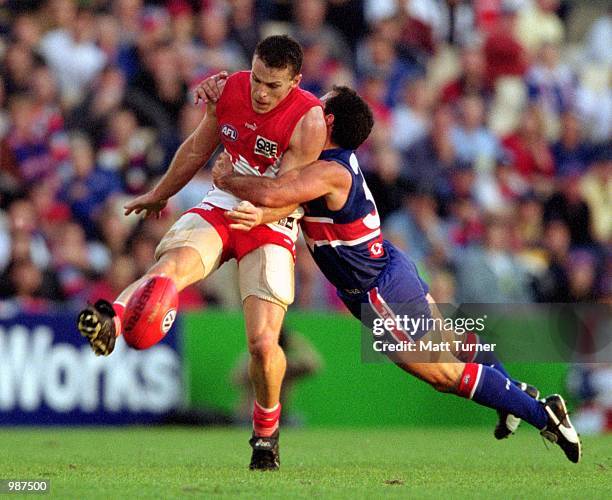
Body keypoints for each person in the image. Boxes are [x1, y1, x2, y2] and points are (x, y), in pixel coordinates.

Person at [211, 85, 581, 463]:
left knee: (443, 375)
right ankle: (512, 393)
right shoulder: (322, 164)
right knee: (451, 341)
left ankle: (542, 414)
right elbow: (284, 196)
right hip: (387, 266)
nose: (310, 108)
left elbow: (274, 194)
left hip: (378, 287)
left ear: (328, 120)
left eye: (318, 105)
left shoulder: (329, 171)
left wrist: (226, 180)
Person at [77, 35, 327, 471]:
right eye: (258, 80)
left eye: (274, 86)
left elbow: (290, 194)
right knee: (171, 266)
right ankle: (112, 317)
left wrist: (262, 214)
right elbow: (196, 148)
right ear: (251, 66)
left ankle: (266, 435)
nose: (262, 93)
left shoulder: (308, 121)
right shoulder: (230, 90)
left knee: (264, 343)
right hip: (224, 205)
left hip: (273, 221)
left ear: (296, 82)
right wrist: (159, 192)